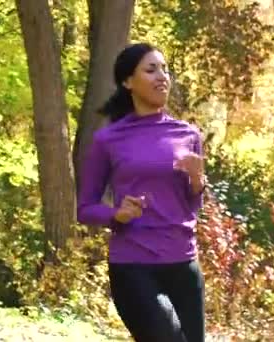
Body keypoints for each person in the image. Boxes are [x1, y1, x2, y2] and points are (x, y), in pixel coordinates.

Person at [76, 43, 206, 342]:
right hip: (134, 266)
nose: (162, 76)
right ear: (127, 82)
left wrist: (198, 179)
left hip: (184, 263)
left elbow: (192, 205)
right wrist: (117, 214)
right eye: (151, 70)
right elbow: (85, 208)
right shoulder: (108, 139)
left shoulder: (187, 134)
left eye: (165, 69)